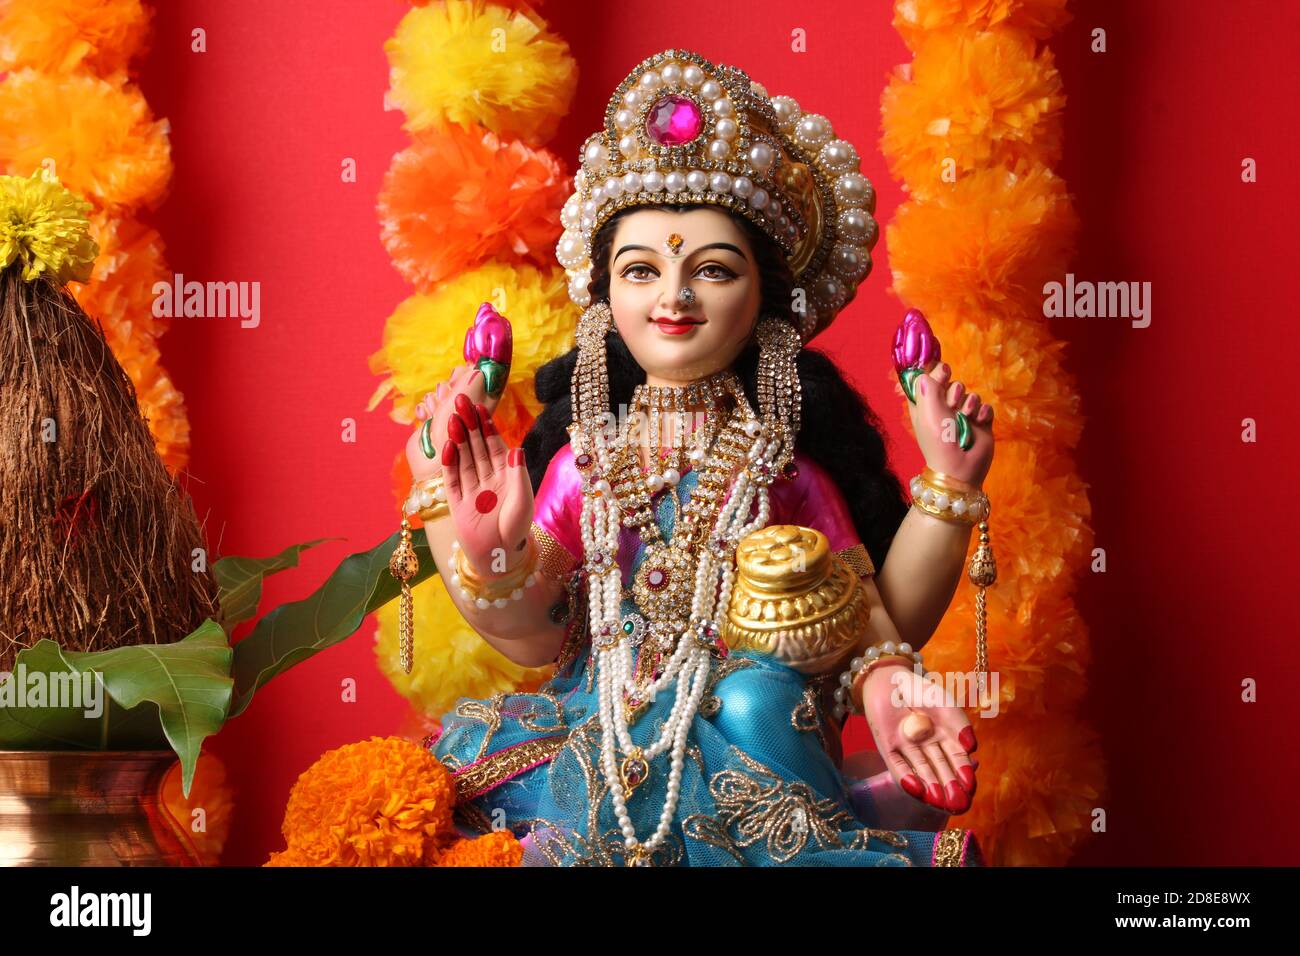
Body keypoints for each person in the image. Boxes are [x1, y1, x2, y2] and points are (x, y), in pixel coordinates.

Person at [397, 49, 995, 866]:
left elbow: (862, 624)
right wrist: (487, 549)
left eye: (710, 270)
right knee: (455, 767)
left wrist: (943, 503)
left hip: (741, 736)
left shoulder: (779, 470)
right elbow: (540, 639)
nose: (672, 297)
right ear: (607, 300)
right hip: (595, 726)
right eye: (641, 270)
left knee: (754, 696)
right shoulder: (583, 466)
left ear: (762, 304)